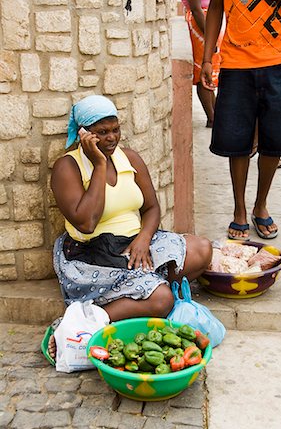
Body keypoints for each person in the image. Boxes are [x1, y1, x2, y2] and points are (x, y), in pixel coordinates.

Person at [48, 95, 212, 358]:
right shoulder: (68, 167)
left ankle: (139, 288)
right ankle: (87, 321)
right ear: (83, 135)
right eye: (101, 132)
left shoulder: (130, 159)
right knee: (162, 300)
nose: (111, 138)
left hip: (134, 242)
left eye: (115, 129)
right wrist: (100, 165)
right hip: (92, 252)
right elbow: (87, 223)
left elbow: (151, 208)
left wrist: (144, 239)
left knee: (202, 249)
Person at [200, 0, 281, 240]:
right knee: (237, 141)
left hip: (279, 60)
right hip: (235, 62)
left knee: (275, 141)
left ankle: (260, 204)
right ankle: (239, 210)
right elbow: (216, 5)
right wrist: (208, 58)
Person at [178, 0, 222, 127]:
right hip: (200, 24)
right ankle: (212, 118)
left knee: (211, 72)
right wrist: (211, 37)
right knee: (202, 72)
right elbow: (196, 10)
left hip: (208, 21)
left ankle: (215, 115)